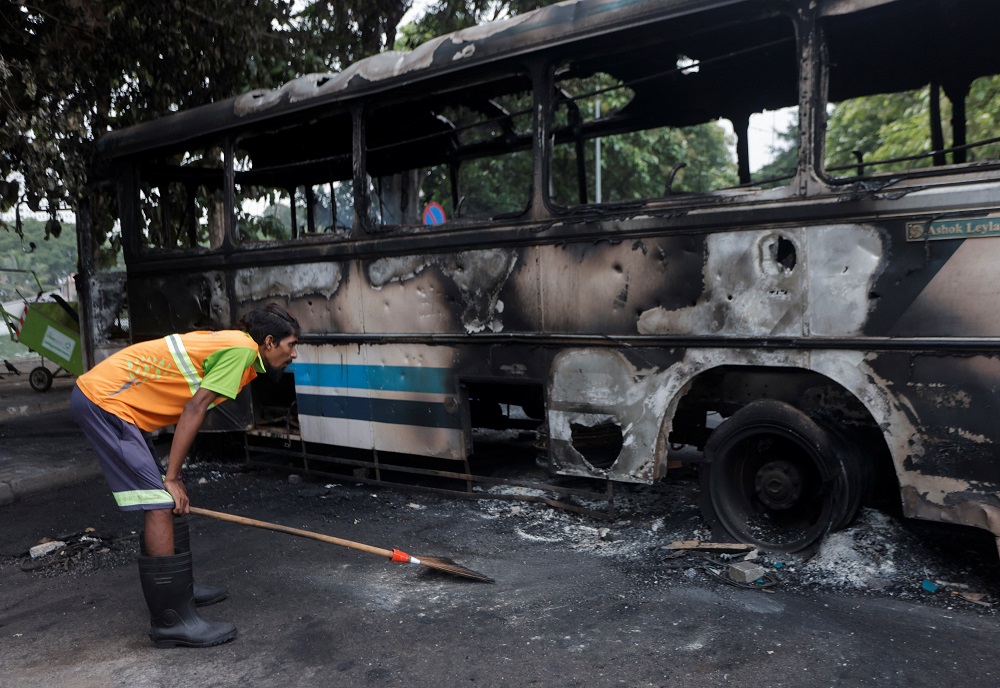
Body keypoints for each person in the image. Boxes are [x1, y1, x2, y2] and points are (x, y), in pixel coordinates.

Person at [70, 303, 300, 648]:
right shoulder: (241, 350)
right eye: (291, 344)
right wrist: (172, 475)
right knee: (160, 501)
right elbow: (194, 408)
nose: (293, 353)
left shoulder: (238, 346)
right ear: (269, 341)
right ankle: (171, 620)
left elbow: (192, 406)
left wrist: (174, 475)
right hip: (105, 402)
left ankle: (181, 588)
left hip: (116, 403)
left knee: (168, 495)